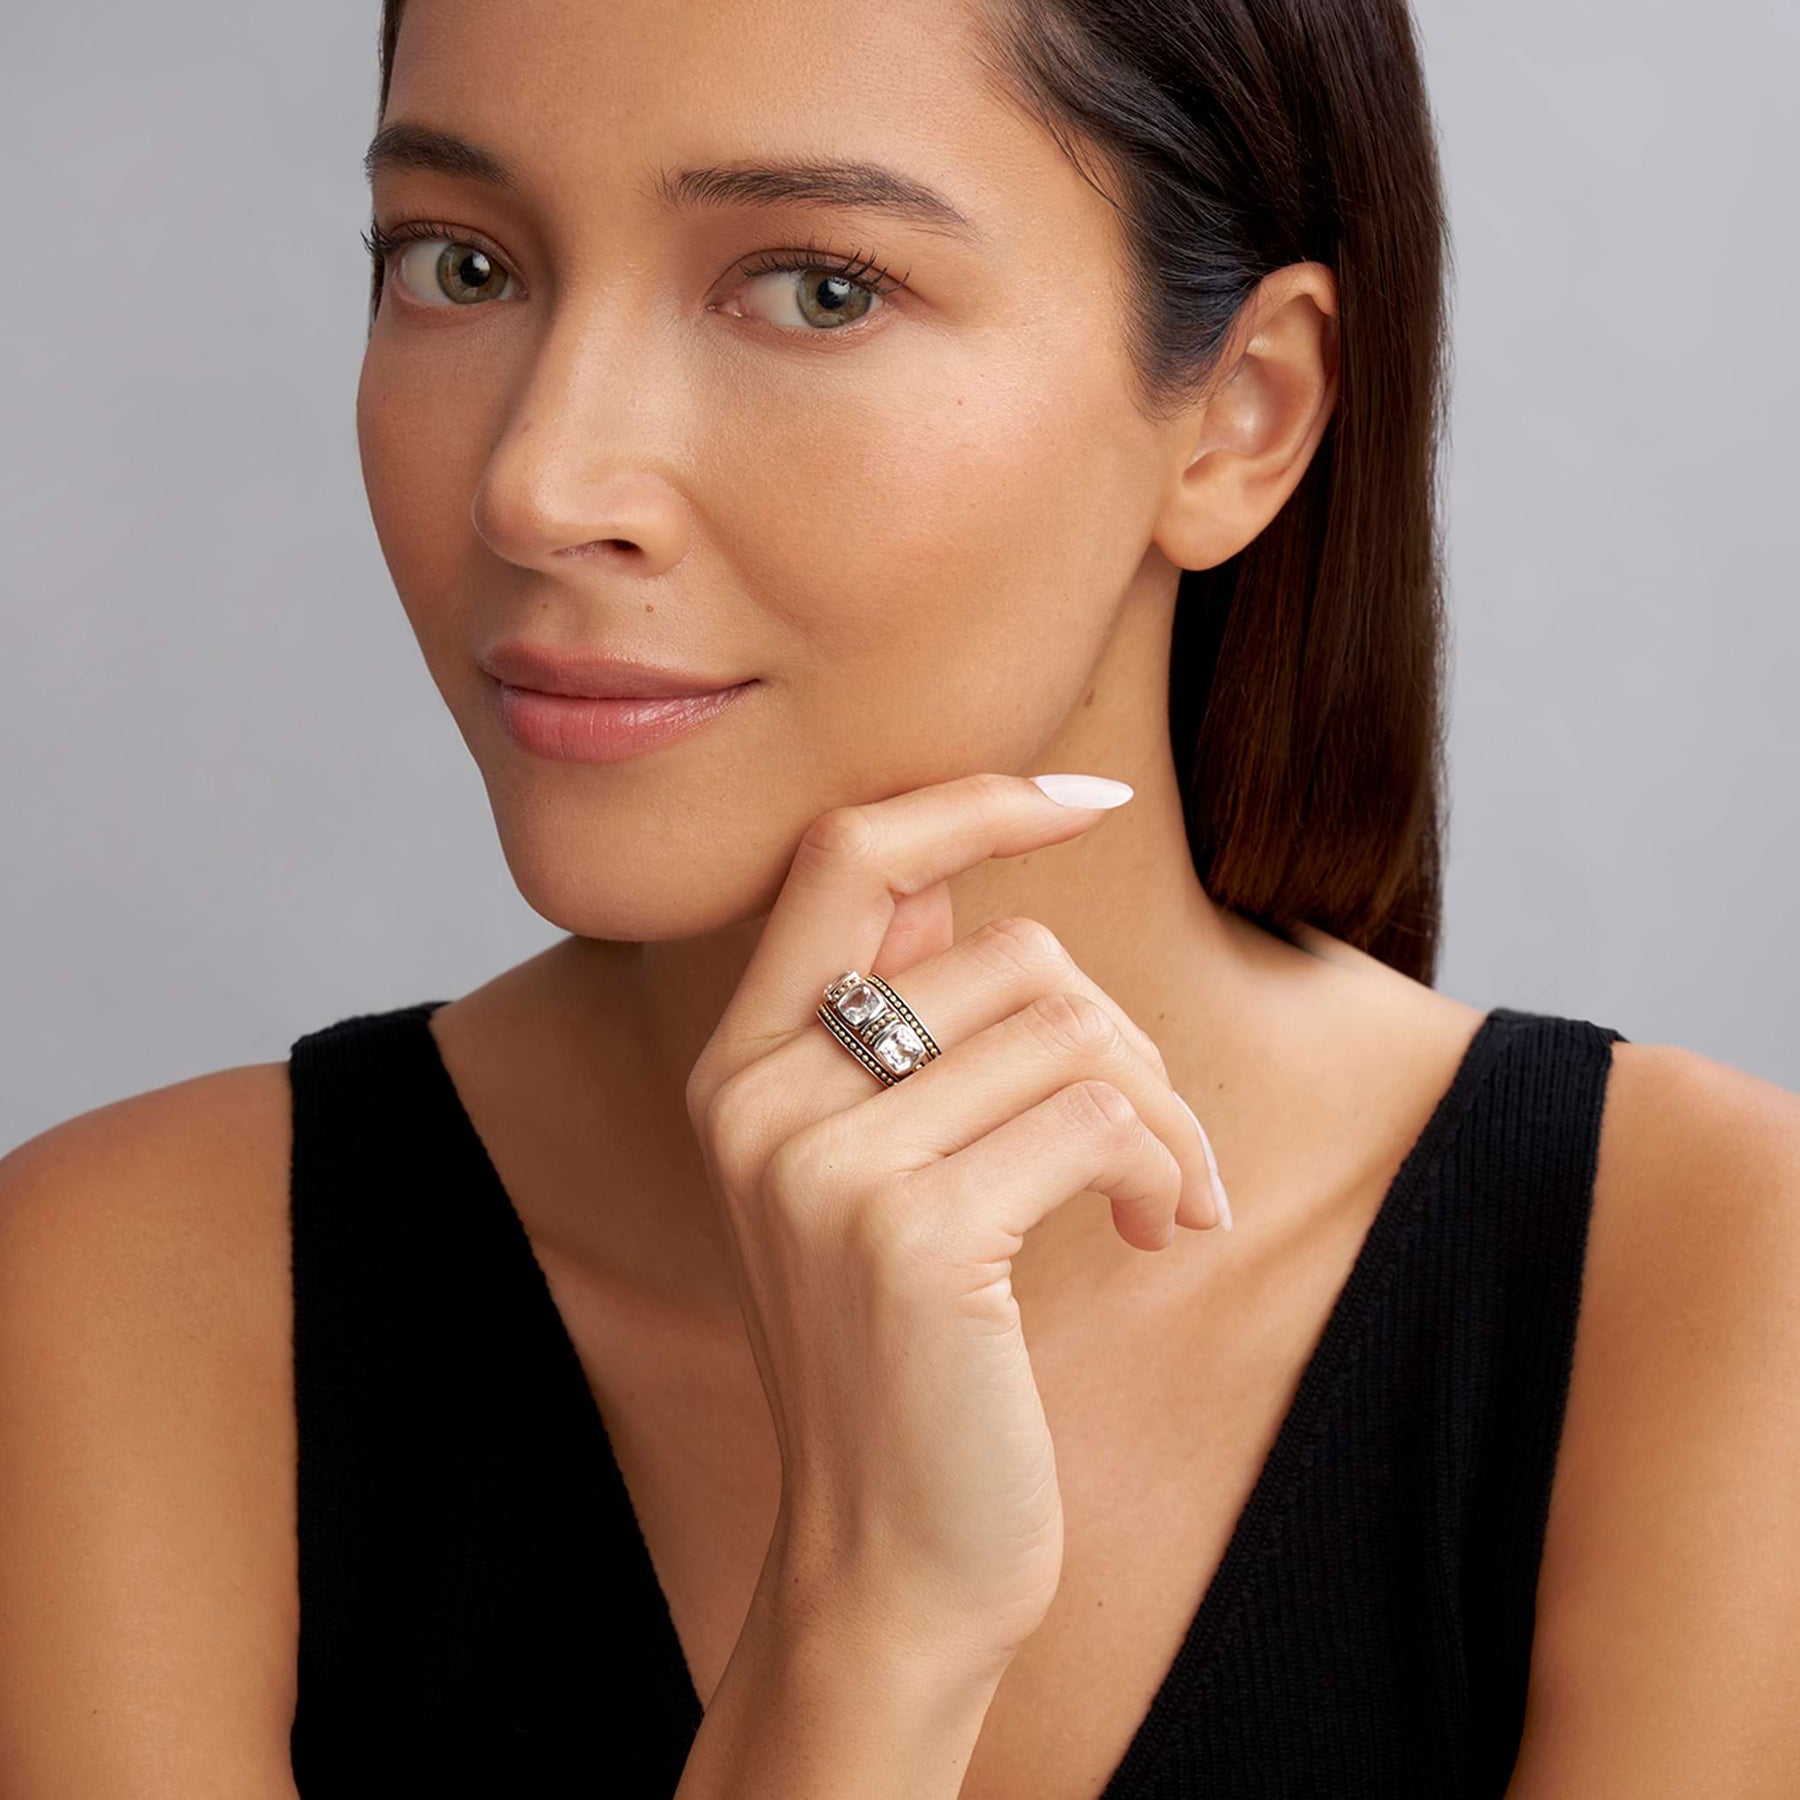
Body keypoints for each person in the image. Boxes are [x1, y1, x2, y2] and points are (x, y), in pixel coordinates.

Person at [2, 0, 1797, 1795]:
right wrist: (875, 1625)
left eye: (818, 290)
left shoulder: (1717, 1289)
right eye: (458, 264)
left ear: (1241, 417)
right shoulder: (124, 1302)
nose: (538, 485)